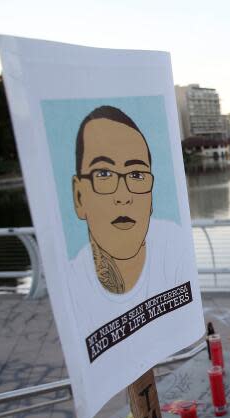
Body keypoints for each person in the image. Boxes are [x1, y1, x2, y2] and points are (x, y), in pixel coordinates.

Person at [68, 105, 194, 331]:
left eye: (137, 175)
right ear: (79, 197)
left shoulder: (172, 243)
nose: (123, 196)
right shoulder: (73, 286)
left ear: (151, 197)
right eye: (104, 174)